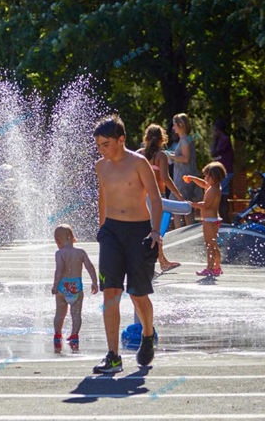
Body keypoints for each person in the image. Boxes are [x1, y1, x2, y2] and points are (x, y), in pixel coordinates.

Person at [92, 115, 162, 374]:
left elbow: (155, 199)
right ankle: (113, 356)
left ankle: (147, 333)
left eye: (106, 144)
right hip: (111, 231)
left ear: (121, 140)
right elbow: (103, 196)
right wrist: (101, 229)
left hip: (139, 232)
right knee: (110, 291)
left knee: (138, 293)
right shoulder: (101, 166)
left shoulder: (139, 162)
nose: (102, 149)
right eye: (98, 144)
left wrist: (155, 231)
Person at [137, 124, 185, 272]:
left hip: (141, 198)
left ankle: (161, 260)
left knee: (146, 230)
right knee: (157, 230)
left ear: (146, 138)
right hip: (158, 198)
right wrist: (179, 196)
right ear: (162, 139)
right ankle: (157, 262)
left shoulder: (139, 153)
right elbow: (166, 178)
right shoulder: (161, 156)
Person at [51, 224, 98, 353]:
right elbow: (90, 267)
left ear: (58, 241)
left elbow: (59, 270)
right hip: (76, 286)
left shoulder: (60, 253)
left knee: (60, 313)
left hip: (63, 287)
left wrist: (55, 285)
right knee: (76, 314)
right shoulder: (80, 252)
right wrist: (94, 282)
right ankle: (75, 335)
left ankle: (57, 335)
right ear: (72, 237)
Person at [185, 162, 226, 276]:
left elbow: (206, 205)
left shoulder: (213, 190)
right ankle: (217, 267)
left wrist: (191, 204)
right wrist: (193, 179)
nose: (205, 178)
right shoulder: (214, 186)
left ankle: (210, 268)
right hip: (213, 220)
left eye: (207, 176)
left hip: (209, 221)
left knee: (209, 245)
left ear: (214, 177)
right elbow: (203, 184)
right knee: (213, 244)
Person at [167, 113, 200, 228]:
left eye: (175, 124)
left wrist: (170, 156)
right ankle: (188, 232)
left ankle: (179, 234)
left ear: (181, 125)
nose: (173, 128)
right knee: (186, 207)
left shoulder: (185, 139)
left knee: (177, 207)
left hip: (183, 178)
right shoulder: (186, 139)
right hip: (185, 176)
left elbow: (185, 158)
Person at [211, 120, 234, 222]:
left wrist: (214, 140)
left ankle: (224, 219)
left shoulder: (224, 139)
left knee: (219, 194)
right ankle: (224, 218)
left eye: (215, 130)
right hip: (222, 172)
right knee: (223, 195)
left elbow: (214, 153)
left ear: (219, 130)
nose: (214, 132)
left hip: (225, 172)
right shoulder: (220, 140)